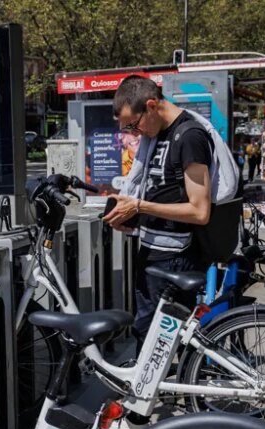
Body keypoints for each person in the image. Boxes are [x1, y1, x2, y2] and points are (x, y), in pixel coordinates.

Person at [103, 75, 213, 358]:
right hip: (153, 251)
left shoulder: (189, 136)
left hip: (174, 256)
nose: (133, 133)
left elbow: (199, 211)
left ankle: (157, 396)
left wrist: (139, 207)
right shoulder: (158, 134)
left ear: (151, 106)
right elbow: (159, 190)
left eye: (133, 124)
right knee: (148, 332)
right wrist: (128, 215)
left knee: (157, 338)